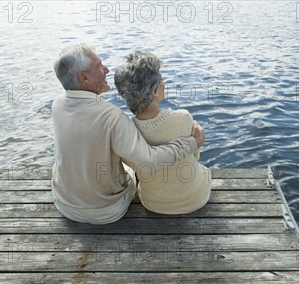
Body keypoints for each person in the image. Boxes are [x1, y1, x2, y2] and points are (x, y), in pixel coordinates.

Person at [51, 43, 205, 224]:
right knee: (133, 168)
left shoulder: (58, 104)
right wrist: (192, 142)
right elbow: (149, 163)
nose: (107, 70)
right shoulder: (112, 116)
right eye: (99, 66)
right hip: (105, 211)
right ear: (83, 78)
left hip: (63, 203)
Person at [114, 51, 211, 214]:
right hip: (196, 198)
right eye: (160, 79)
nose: (163, 82)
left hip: (153, 203)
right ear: (154, 92)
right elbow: (195, 155)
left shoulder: (125, 130)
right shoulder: (183, 118)